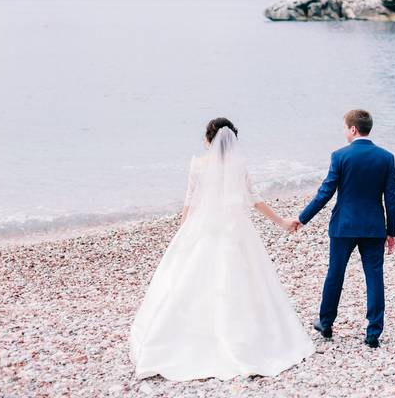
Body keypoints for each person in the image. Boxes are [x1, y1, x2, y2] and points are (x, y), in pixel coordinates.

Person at [129, 117, 314, 381]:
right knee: (241, 282)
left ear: (208, 140)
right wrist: (282, 222)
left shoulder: (198, 165)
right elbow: (254, 200)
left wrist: (183, 231)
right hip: (235, 230)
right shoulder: (239, 167)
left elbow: (190, 201)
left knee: (192, 281)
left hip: (205, 229)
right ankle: (244, 340)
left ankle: (188, 337)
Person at [295, 109, 395, 348]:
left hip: (344, 226)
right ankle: (373, 332)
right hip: (374, 227)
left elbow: (326, 192)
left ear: (353, 129)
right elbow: (391, 198)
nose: (344, 131)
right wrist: (391, 231)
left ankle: (326, 322)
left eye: (344, 127)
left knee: (335, 273)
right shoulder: (386, 157)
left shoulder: (340, 156)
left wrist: (302, 218)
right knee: (374, 276)